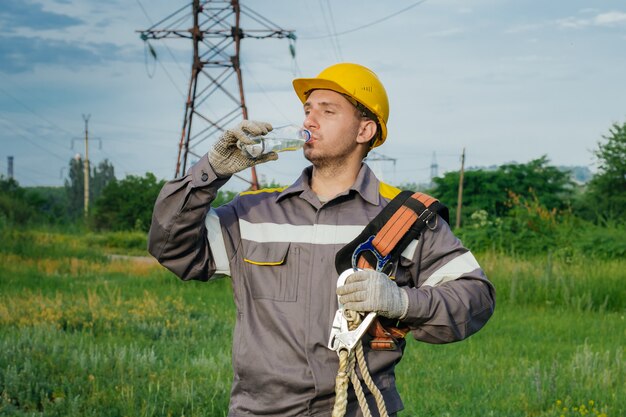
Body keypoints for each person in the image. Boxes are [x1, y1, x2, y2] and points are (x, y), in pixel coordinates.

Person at [148, 62, 495, 417]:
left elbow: (476, 297)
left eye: (327, 112)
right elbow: (170, 246)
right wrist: (211, 171)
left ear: (365, 130)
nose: (308, 122)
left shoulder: (405, 218)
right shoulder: (253, 213)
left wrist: (403, 303)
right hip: (260, 410)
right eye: (307, 111)